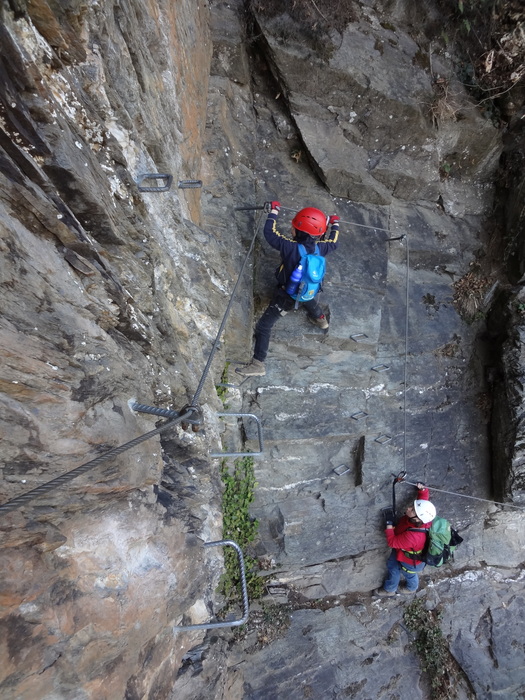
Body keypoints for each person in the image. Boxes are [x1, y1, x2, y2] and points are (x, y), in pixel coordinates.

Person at [236, 201, 340, 377]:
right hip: (309, 290)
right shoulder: (321, 247)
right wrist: (334, 223)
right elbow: (334, 241)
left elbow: (270, 233)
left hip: (286, 295)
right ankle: (321, 319)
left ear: (298, 231)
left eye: (293, 226)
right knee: (307, 297)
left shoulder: (289, 246)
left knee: (263, 326)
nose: (291, 228)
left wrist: (273, 212)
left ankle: (258, 364)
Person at [374, 483, 437, 596]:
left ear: (417, 519)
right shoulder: (425, 519)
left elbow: (392, 542)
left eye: (412, 510)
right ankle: (390, 589)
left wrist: (389, 525)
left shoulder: (413, 536)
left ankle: (411, 588)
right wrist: (423, 491)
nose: (409, 508)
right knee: (393, 567)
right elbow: (422, 505)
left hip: (410, 561)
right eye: (413, 507)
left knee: (409, 574)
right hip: (403, 550)